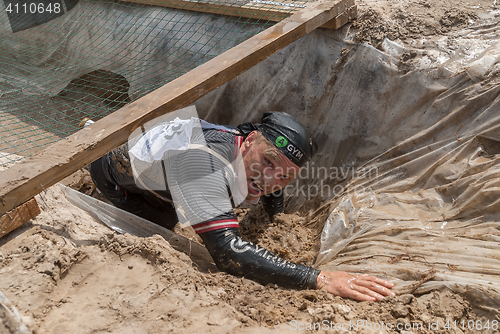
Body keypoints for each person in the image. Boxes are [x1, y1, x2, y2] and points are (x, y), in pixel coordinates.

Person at [89, 111, 395, 301]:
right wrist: (318, 278)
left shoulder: (249, 152)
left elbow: (271, 183)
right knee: (165, 233)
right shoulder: (205, 162)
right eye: (268, 161)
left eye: (286, 176)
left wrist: (274, 215)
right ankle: (92, 136)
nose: (271, 178)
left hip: (165, 161)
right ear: (248, 141)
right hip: (118, 178)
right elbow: (227, 253)